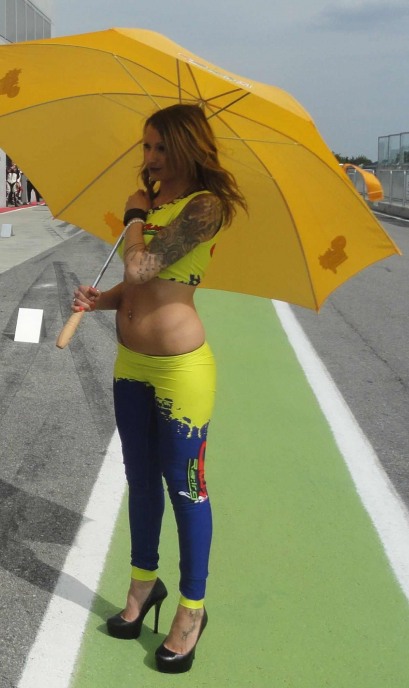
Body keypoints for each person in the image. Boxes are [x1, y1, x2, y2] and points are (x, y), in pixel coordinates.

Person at [71, 103, 246, 674]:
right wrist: (100, 301)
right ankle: (144, 584)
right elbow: (134, 288)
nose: (150, 157)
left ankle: (192, 610)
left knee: (186, 489)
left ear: (188, 147)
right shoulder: (156, 203)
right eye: (146, 146)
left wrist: (133, 216)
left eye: (161, 147)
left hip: (180, 371)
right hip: (130, 365)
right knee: (140, 480)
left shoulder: (205, 206)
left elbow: (144, 267)